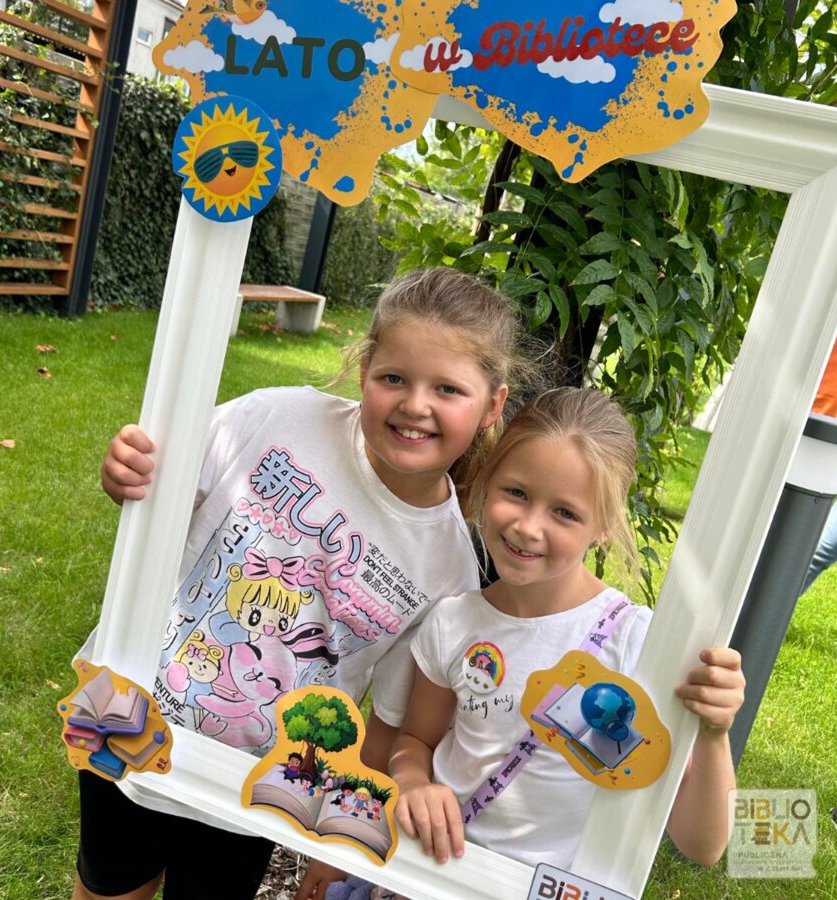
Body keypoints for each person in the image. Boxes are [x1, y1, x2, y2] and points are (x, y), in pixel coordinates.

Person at [73, 267, 537, 900]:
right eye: (393, 378)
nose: (415, 404)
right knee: (109, 888)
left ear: (492, 407)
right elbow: (158, 499)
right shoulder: (277, 416)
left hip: (261, 790)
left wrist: (338, 837)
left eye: (448, 389)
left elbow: (389, 722)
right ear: (365, 369)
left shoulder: (449, 568)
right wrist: (127, 474)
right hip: (132, 715)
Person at [389, 388, 746, 872]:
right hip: (434, 873)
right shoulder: (452, 622)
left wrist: (714, 734)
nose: (528, 527)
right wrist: (413, 783)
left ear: (604, 525)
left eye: (565, 513)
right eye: (516, 493)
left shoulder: (638, 643)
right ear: (488, 482)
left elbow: (702, 845)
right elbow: (416, 740)